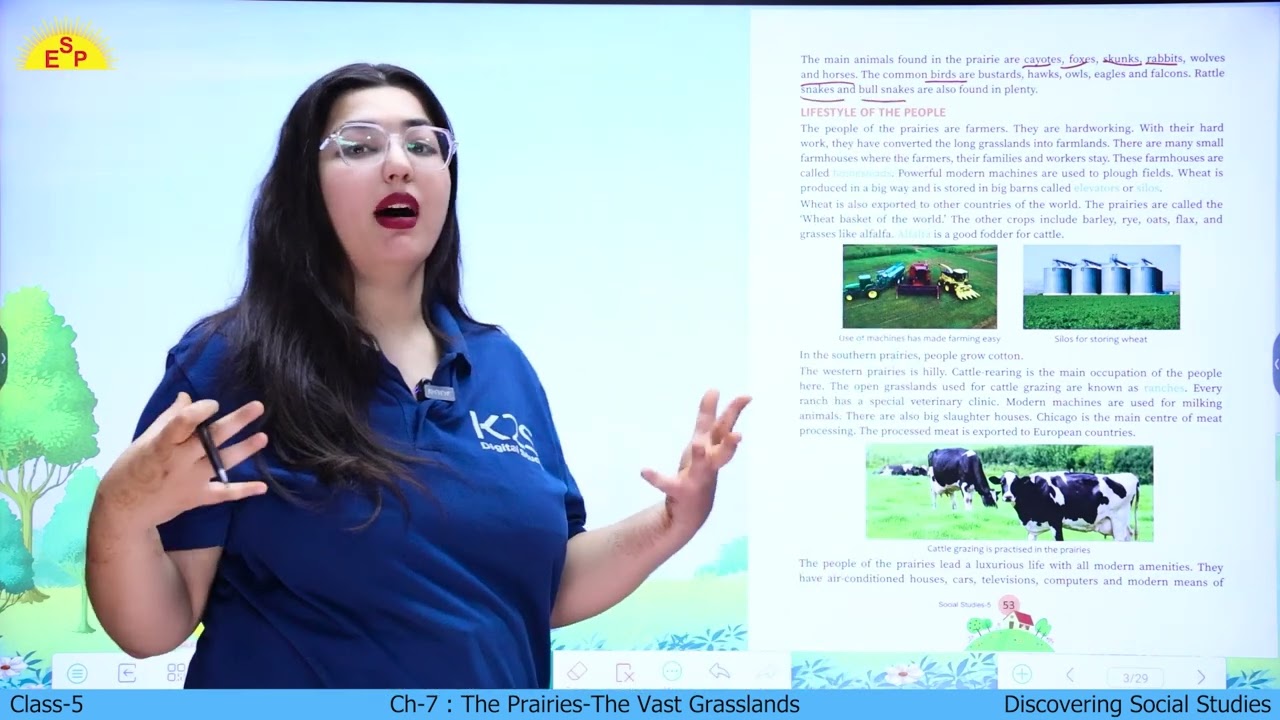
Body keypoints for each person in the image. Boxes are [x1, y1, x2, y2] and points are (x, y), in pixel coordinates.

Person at [85, 62, 750, 690]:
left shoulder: (501, 366)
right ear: (304, 187)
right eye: (358, 145)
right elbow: (154, 627)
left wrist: (671, 521)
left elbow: (546, 586)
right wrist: (121, 510)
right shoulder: (229, 362)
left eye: (425, 145)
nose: (399, 163)